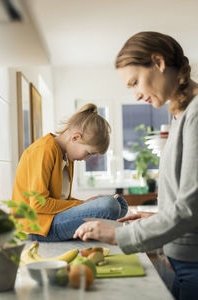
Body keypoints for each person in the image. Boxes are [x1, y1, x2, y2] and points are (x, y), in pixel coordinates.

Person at [73, 32, 198, 300]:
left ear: (158, 62)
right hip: (184, 262)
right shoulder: (181, 115)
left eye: (135, 82)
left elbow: (189, 210)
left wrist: (121, 236)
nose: (136, 95)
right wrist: (157, 218)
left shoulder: (196, 115)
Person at [12, 103, 128, 242]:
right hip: (37, 227)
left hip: (52, 219)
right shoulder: (44, 150)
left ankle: (97, 227)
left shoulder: (66, 157)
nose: (86, 159)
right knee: (110, 205)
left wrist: (84, 203)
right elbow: (38, 204)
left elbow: (61, 201)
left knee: (120, 203)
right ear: (75, 138)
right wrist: (82, 204)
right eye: (88, 153)